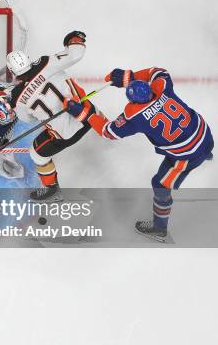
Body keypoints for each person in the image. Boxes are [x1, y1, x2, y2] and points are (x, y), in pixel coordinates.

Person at [65, 67, 214, 242]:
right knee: (199, 145)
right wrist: (130, 77)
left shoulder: (135, 117)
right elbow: (158, 71)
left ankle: (159, 228)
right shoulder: (163, 87)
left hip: (187, 155)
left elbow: (108, 132)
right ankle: (206, 153)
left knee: (159, 183)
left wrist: (84, 113)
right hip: (205, 135)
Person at [5, 30, 92, 201]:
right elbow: (76, 53)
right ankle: (109, 128)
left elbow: (27, 119)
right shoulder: (45, 63)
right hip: (88, 118)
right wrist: (75, 39)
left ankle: (52, 189)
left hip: (64, 136)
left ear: (12, 71)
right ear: (29, 59)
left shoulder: (17, 98)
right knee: (96, 115)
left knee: (36, 154)